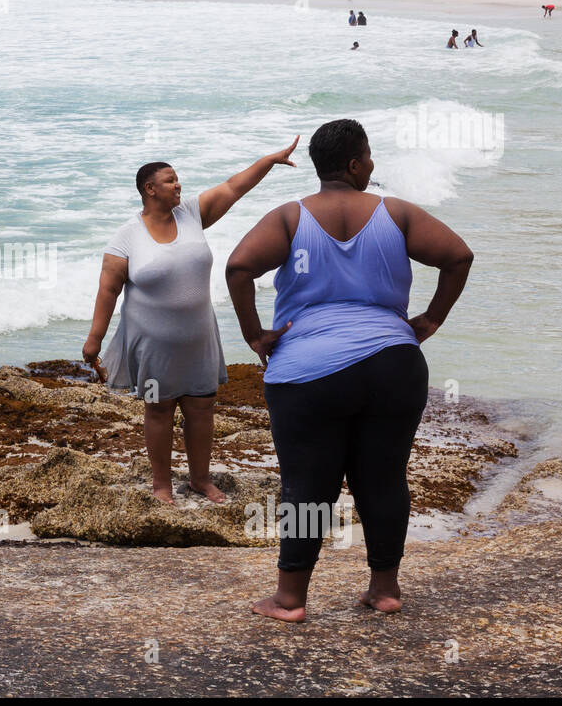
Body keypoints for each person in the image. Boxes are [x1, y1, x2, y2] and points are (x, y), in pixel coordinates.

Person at [225, 119, 474, 622]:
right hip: (393, 362)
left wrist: (256, 336)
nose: (373, 165)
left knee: (307, 485)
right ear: (356, 164)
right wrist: (428, 320)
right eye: (370, 157)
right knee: (382, 479)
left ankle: (290, 599)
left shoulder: (290, 218)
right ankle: (384, 591)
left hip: (307, 370)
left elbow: (237, 268)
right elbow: (459, 257)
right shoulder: (396, 213)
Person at [84, 142, 300, 506]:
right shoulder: (127, 236)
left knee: (201, 408)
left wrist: (268, 161)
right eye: (170, 181)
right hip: (151, 344)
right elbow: (108, 290)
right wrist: (94, 340)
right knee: (158, 409)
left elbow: (234, 187)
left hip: (199, 338)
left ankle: (200, 480)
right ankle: (162, 486)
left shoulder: (192, 214)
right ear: (149, 189)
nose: (178, 186)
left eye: (178, 180)